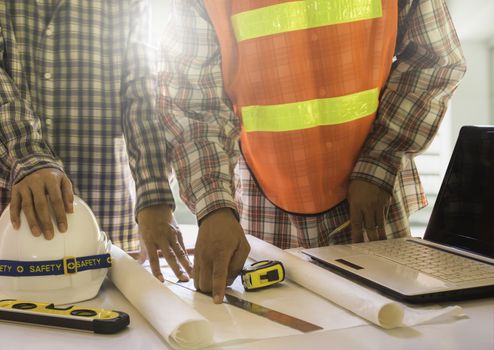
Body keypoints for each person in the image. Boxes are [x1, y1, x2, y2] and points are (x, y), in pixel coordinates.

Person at [154, 0, 466, 303]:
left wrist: (379, 162)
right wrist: (214, 207)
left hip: (370, 201)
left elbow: (435, 60)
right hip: (262, 197)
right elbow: (192, 103)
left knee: (389, 329)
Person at [0, 0, 192, 281]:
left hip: (108, 222)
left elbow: (142, 95)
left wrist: (153, 196)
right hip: (10, 223)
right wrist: (29, 156)